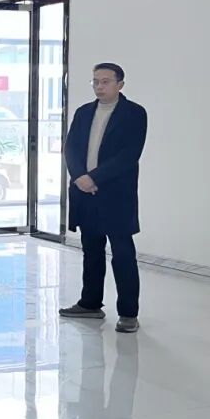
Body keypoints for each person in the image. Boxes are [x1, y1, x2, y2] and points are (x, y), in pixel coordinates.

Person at [60, 63, 147, 333]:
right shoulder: (84, 112)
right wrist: (79, 177)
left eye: (105, 81)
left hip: (116, 195)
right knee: (91, 251)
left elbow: (129, 155)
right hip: (85, 193)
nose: (99, 86)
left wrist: (94, 178)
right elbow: (71, 148)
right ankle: (90, 304)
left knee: (122, 253)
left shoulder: (134, 113)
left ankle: (128, 314)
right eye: (95, 81)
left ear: (120, 84)